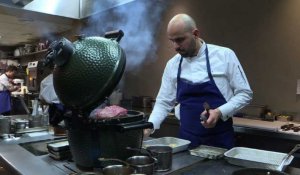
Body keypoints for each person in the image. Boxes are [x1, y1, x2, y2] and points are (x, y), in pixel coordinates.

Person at [144, 14, 253, 149]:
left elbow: (245, 94)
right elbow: (164, 102)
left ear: (195, 34)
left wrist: (219, 112)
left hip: (219, 142)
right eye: (172, 41)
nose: (175, 47)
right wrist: (149, 127)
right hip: (186, 141)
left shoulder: (224, 55)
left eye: (180, 40)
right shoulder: (172, 65)